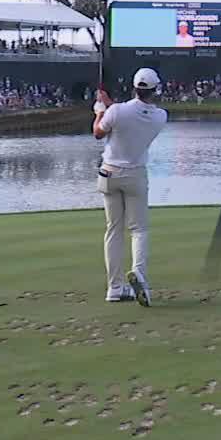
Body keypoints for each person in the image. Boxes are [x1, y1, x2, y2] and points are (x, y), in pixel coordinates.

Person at [93, 67, 169, 306]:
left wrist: (99, 111)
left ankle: (114, 288)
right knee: (139, 229)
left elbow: (98, 132)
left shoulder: (115, 111)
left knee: (113, 230)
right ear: (155, 90)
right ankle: (139, 274)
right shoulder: (160, 117)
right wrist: (108, 107)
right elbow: (131, 115)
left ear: (134, 87)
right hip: (135, 175)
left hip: (109, 173)